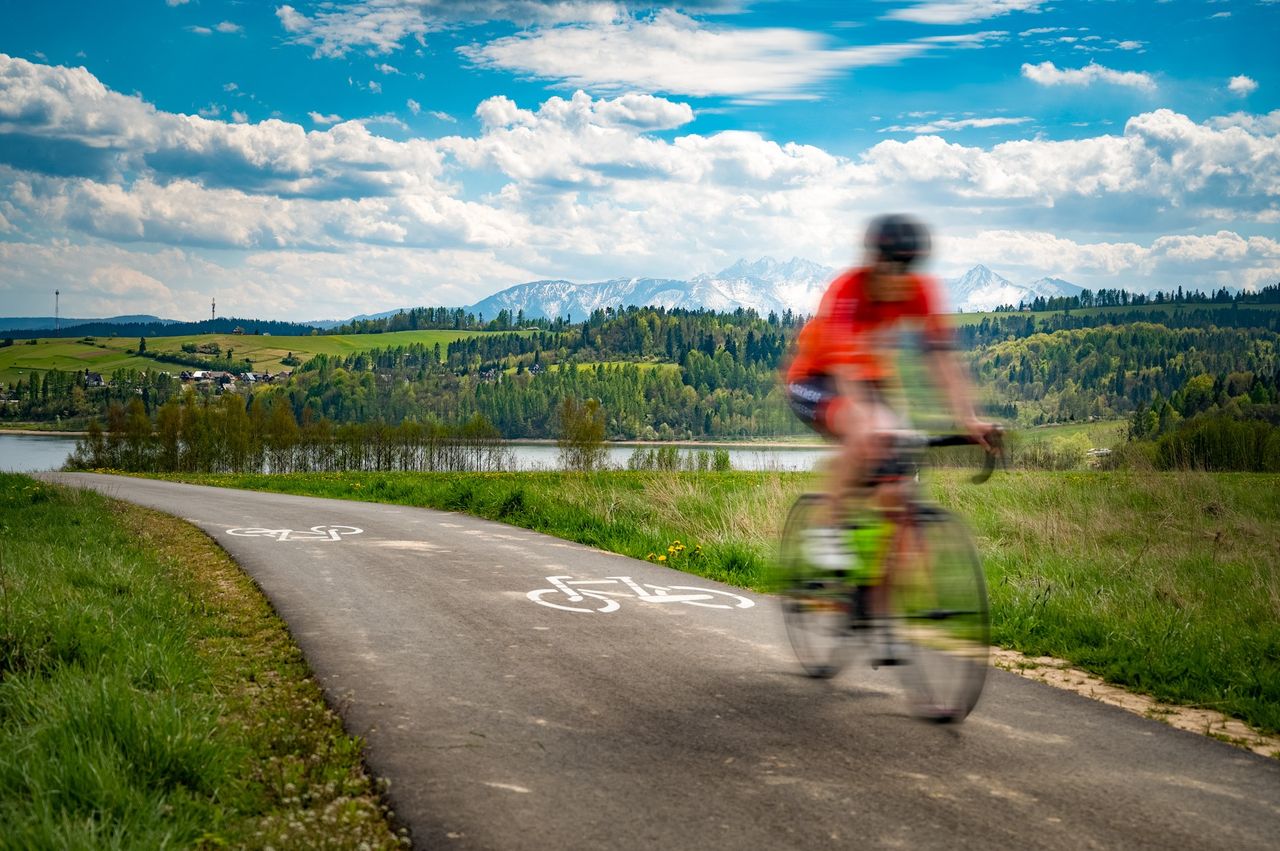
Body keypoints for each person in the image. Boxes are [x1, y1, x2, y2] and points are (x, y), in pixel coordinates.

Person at [785, 214, 992, 572]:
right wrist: (871, 426)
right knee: (864, 429)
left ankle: (874, 604)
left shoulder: (920, 291)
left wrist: (969, 419)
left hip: (870, 381)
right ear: (873, 262)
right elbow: (845, 368)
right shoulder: (847, 289)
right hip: (818, 377)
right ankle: (826, 528)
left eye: (907, 267)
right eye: (890, 267)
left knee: (897, 488)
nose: (898, 277)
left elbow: (943, 361)